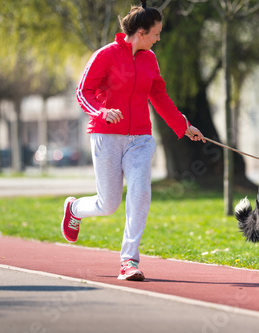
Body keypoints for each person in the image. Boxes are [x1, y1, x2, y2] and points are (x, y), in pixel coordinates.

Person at [61, 0, 205, 281]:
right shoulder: (106, 55)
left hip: (140, 138)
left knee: (140, 193)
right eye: (156, 33)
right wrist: (102, 112)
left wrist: (184, 125)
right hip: (106, 136)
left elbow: (159, 97)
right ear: (141, 32)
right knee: (109, 204)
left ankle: (129, 260)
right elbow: (83, 92)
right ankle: (74, 208)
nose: (159, 38)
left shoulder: (150, 59)